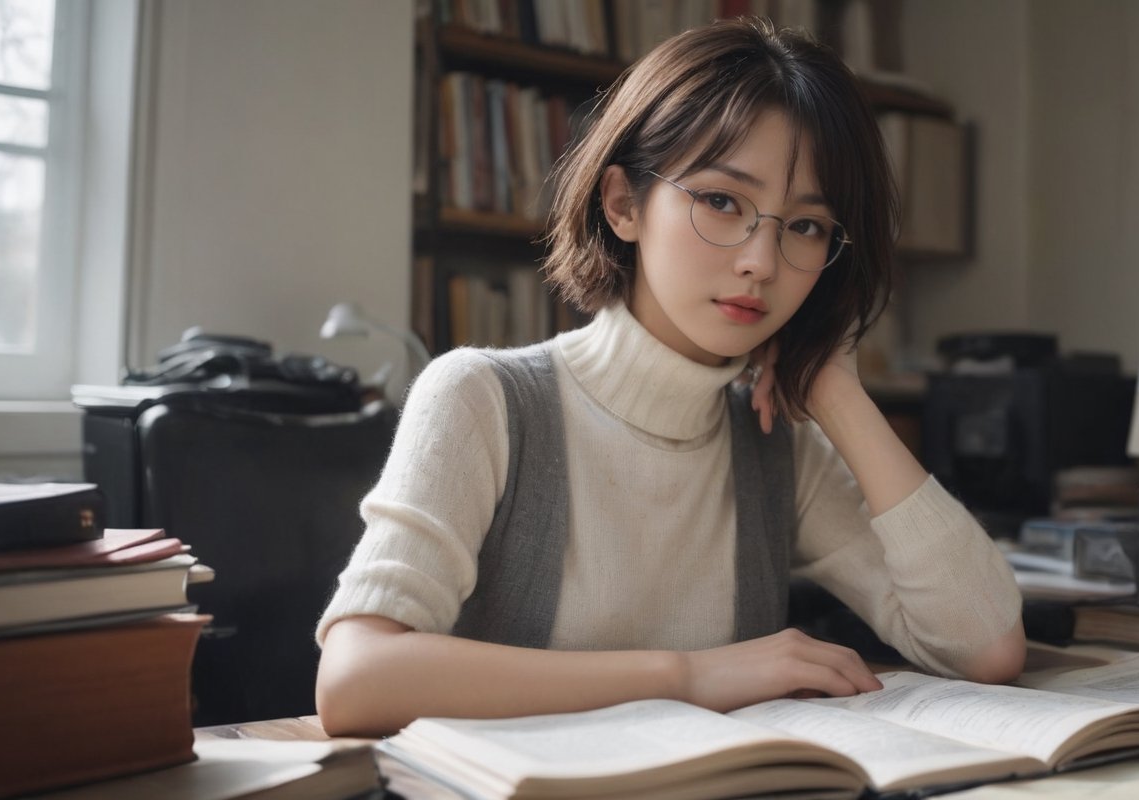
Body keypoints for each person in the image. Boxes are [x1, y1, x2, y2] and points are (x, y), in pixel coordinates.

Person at [315, 17, 1024, 737]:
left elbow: (985, 647)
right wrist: (688, 676)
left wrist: (839, 394)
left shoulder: (775, 442)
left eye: (806, 226)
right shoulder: (484, 399)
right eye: (722, 201)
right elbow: (356, 679)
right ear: (623, 204)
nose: (762, 261)